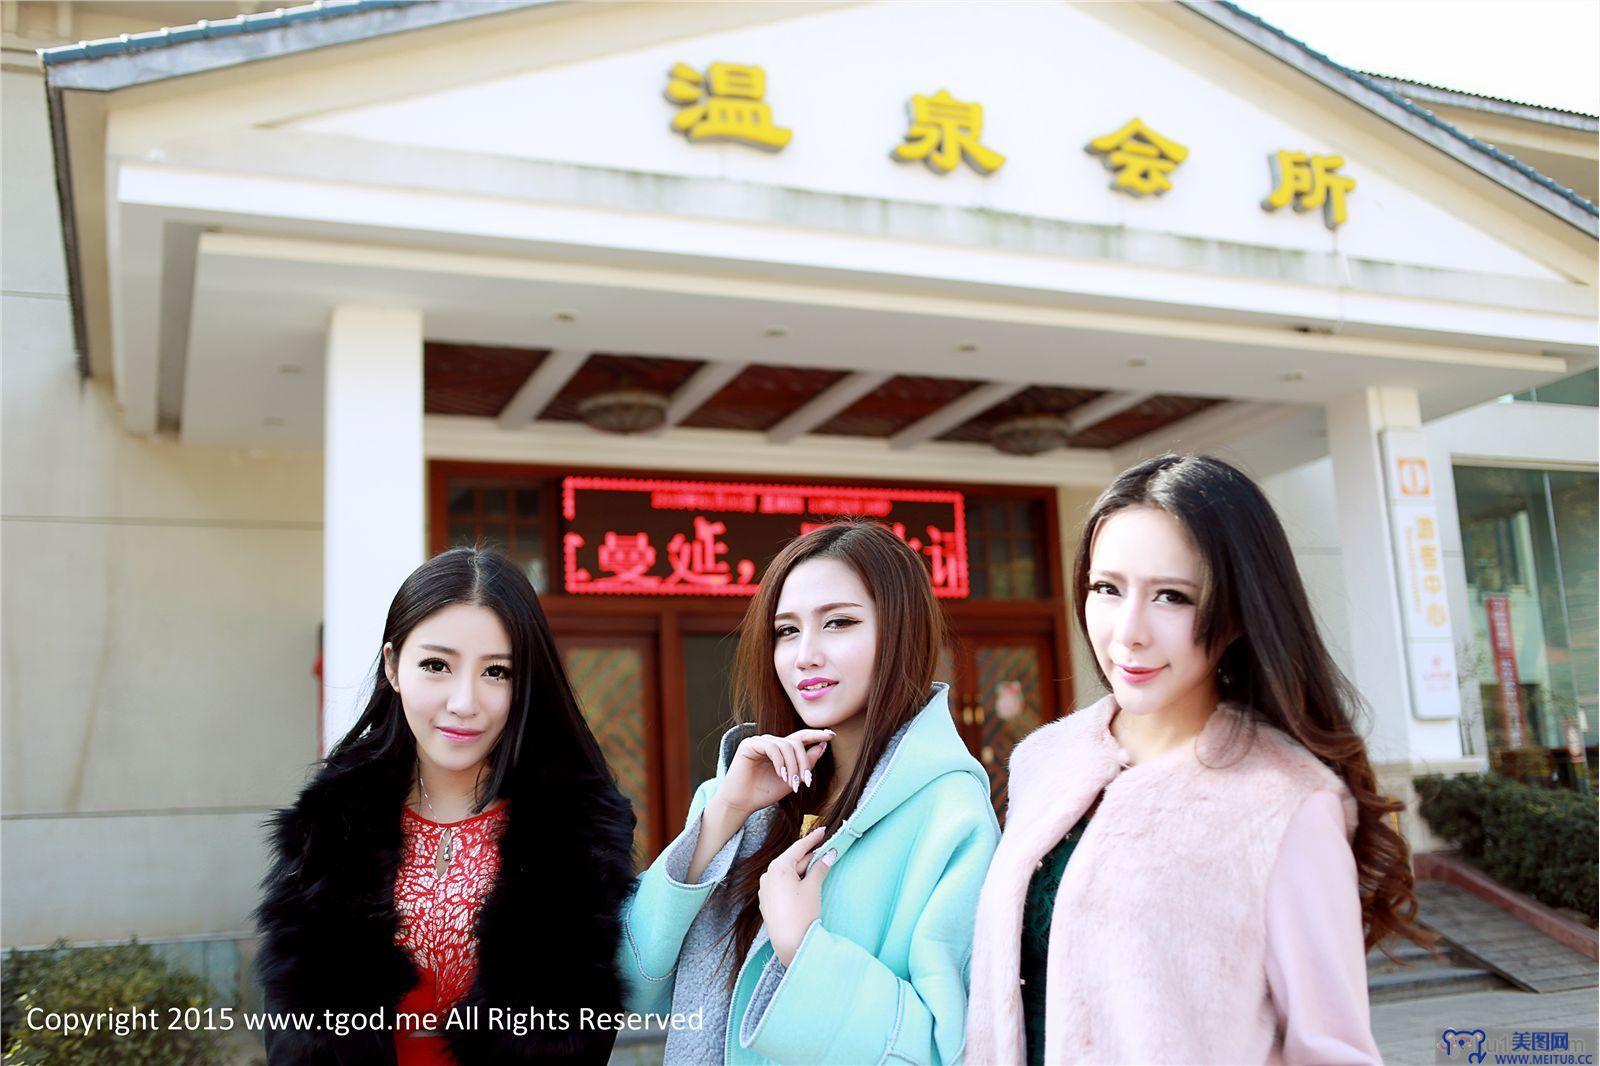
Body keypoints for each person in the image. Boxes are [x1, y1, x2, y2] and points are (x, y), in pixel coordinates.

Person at [967, 453, 1431, 1065]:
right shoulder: (1045, 760)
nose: (1128, 631)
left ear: (1237, 613)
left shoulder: (1286, 802)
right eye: (1107, 589)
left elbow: (1332, 1052)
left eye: (1172, 596)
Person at [620, 522, 999, 1064]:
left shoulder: (951, 816)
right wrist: (724, 813)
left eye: (839, 623)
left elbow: (948, 1050)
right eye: (787, 631)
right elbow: (629, 988)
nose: (805, 656)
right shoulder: (738, 801)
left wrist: (806, 951)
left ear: (902, 632)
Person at [254, 547, 635, 1065]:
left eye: (497, 672)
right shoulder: (330, 830)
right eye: (436, 665)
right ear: (392, 666)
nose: (464, 702)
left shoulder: (573, 838)